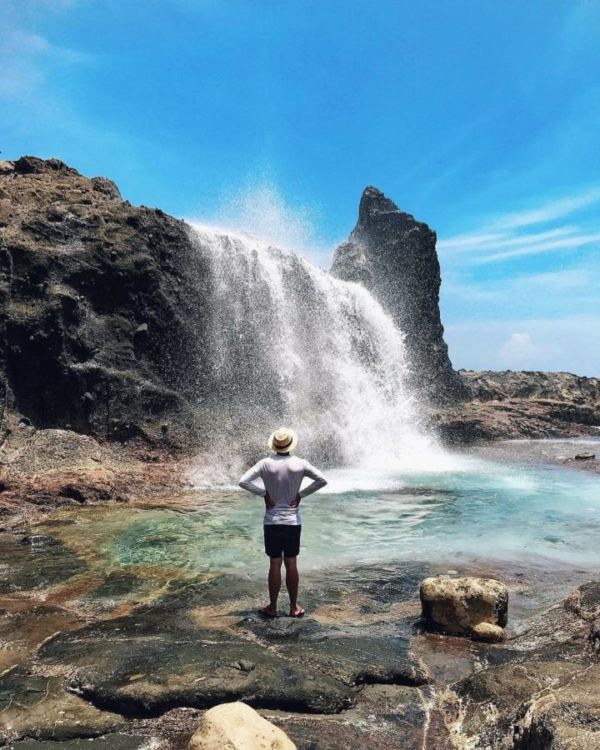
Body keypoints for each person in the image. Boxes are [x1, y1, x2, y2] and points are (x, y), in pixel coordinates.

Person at [239, 427, 327, 618]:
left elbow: (243, 481)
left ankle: (272, 607)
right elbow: (322, 480)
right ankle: (294, 607)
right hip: (293, 521)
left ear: (275, 444)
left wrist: (263, 494)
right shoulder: (300, 464)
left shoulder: (264, 464)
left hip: (271, 521)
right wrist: (301, 494)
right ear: (290, 444)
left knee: (274, 564)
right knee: (292, 563)